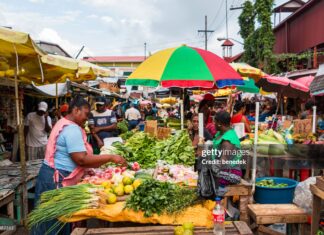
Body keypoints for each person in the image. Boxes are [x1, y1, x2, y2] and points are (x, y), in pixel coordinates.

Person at [31, 96, 126, 235]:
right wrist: (111, 157)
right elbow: (81, 159)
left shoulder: (62, 122)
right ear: (76, 110)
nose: (87, 119)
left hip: (51, 175)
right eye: (86, 114)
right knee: (52, 223)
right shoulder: (71, 129)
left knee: (52, 221)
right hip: (56, 180)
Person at [213, 111, 242, 186]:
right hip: (220, 170)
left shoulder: (228, 140)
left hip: (230, 173)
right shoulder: (220, 133)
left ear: (219, 123)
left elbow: (223, 161)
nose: (214, 124)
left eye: (215, 122)